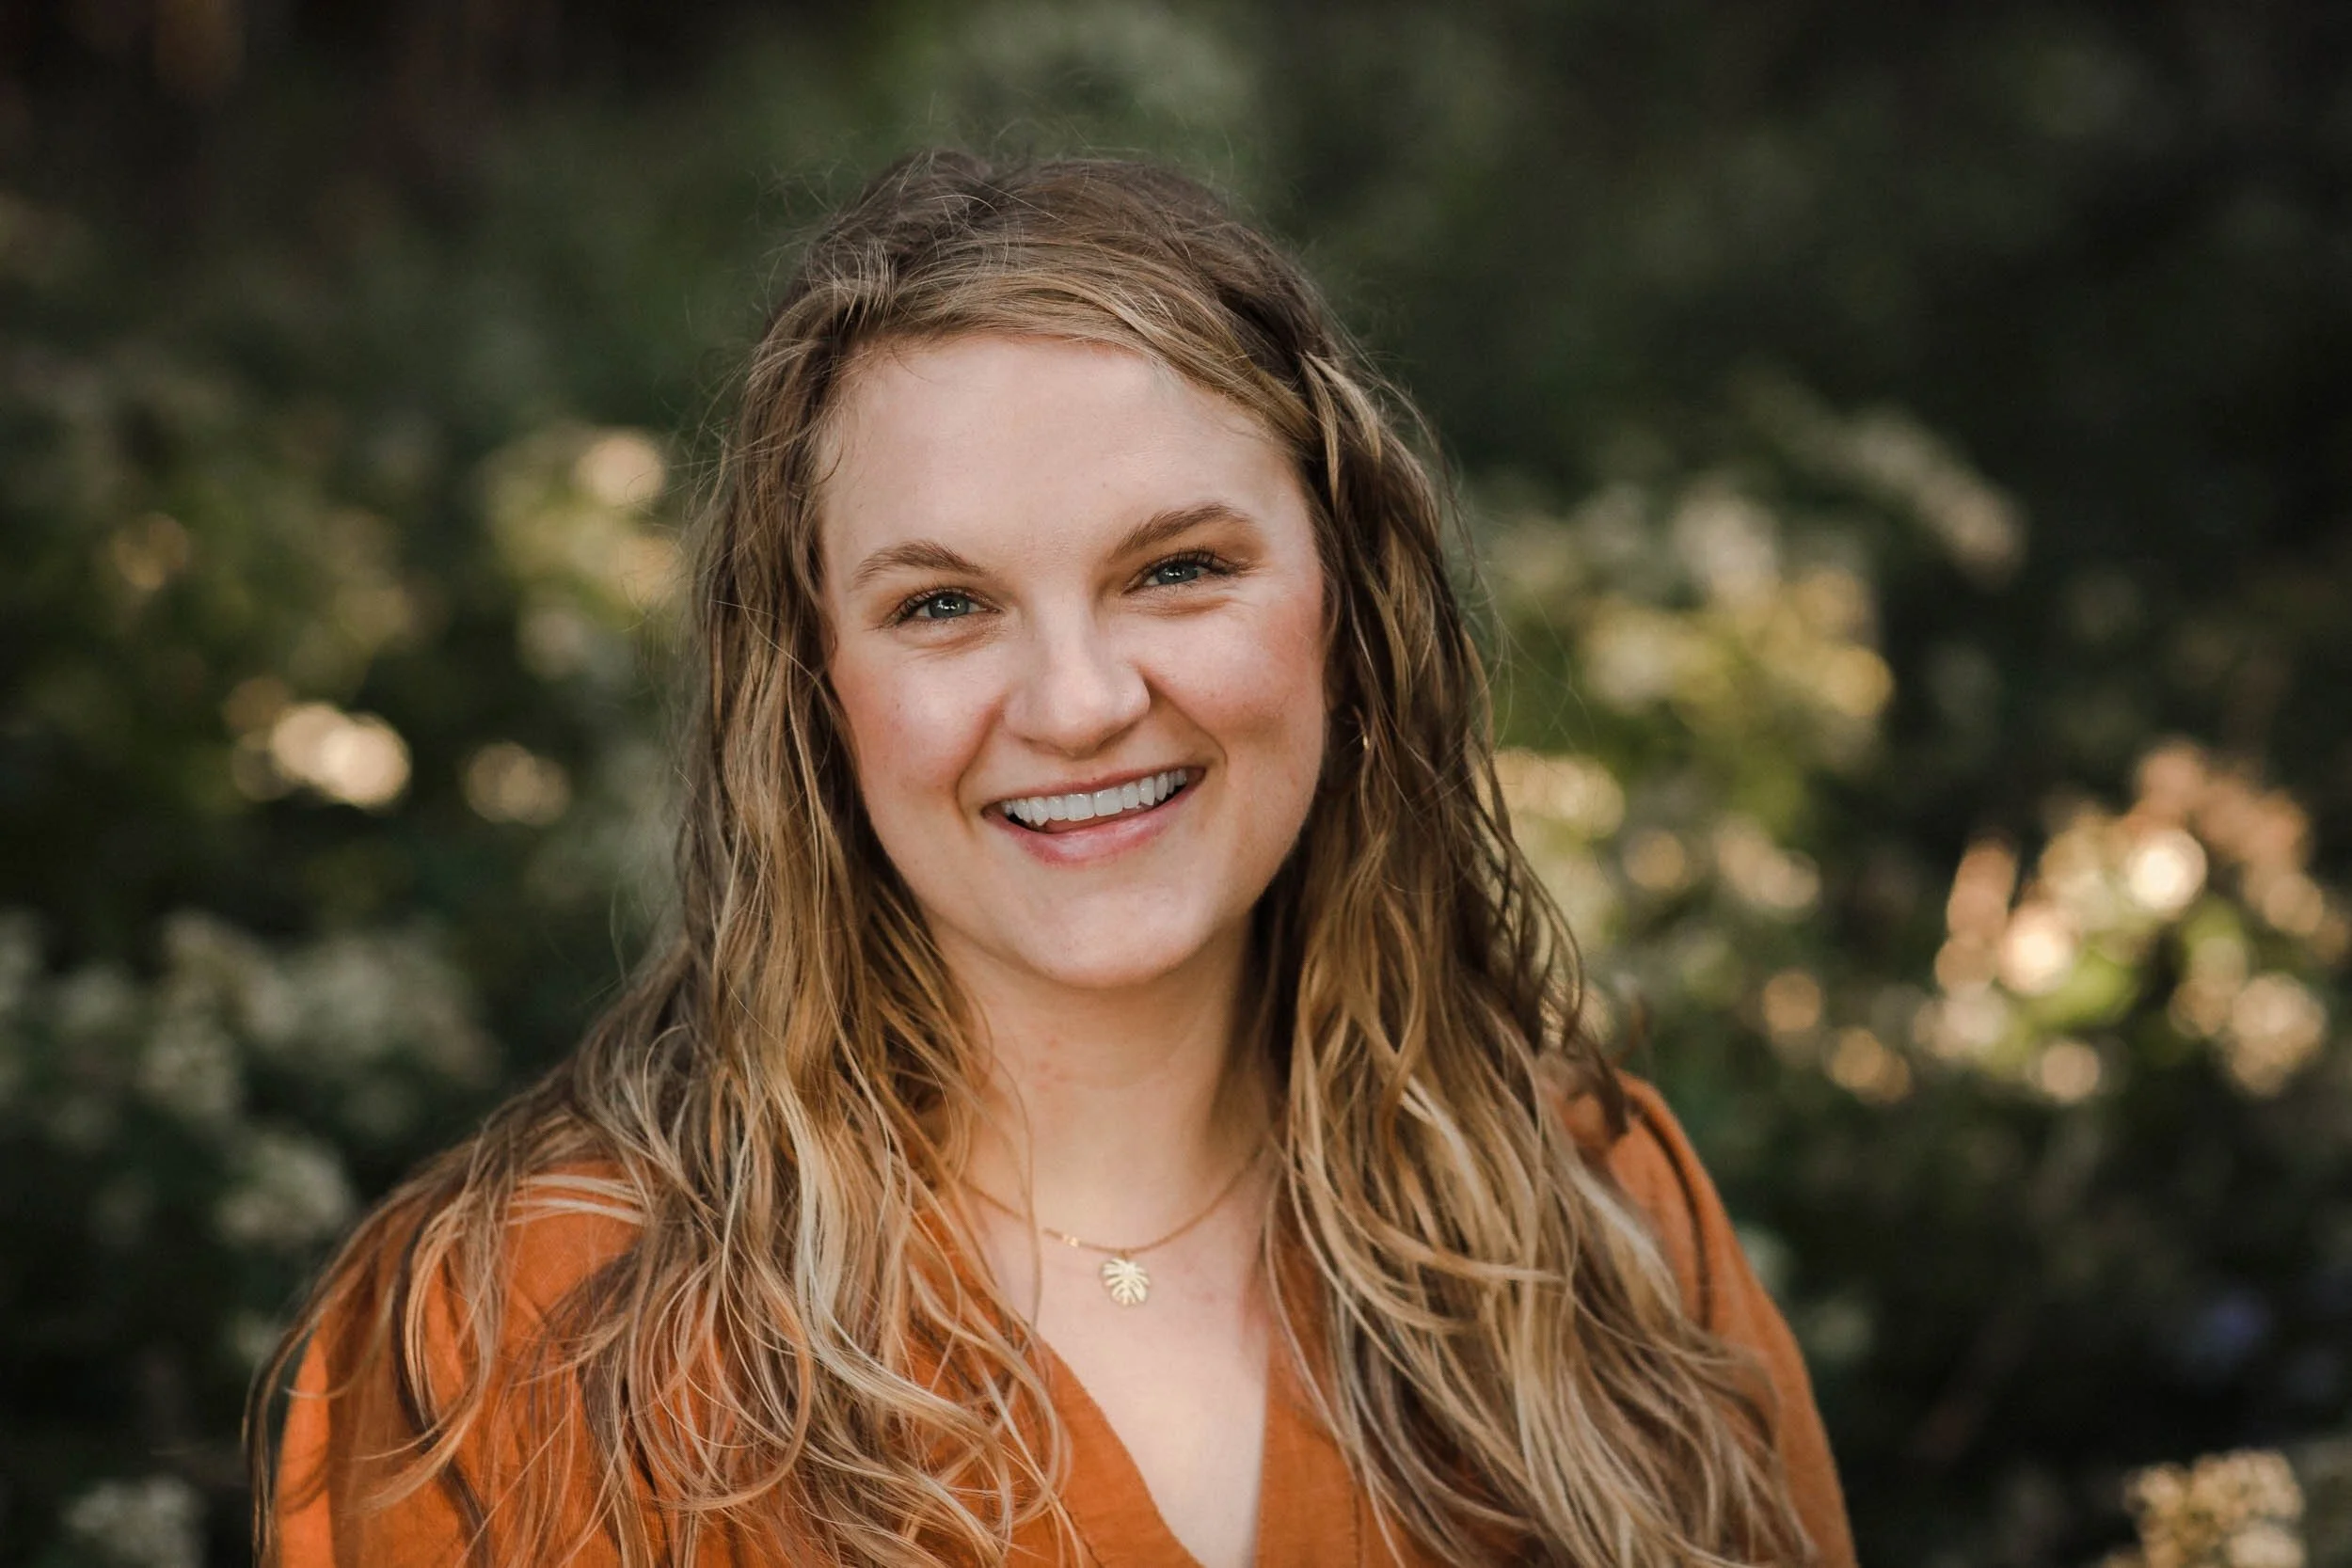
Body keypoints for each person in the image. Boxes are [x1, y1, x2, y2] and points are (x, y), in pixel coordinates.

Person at [251, 150, 1857, 1568]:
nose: (1082, 705)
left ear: (1348, 611)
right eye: (941, 604)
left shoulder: (1600, 1229)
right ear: (813, 690)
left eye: (1176, 568)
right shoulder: (531, 1325)